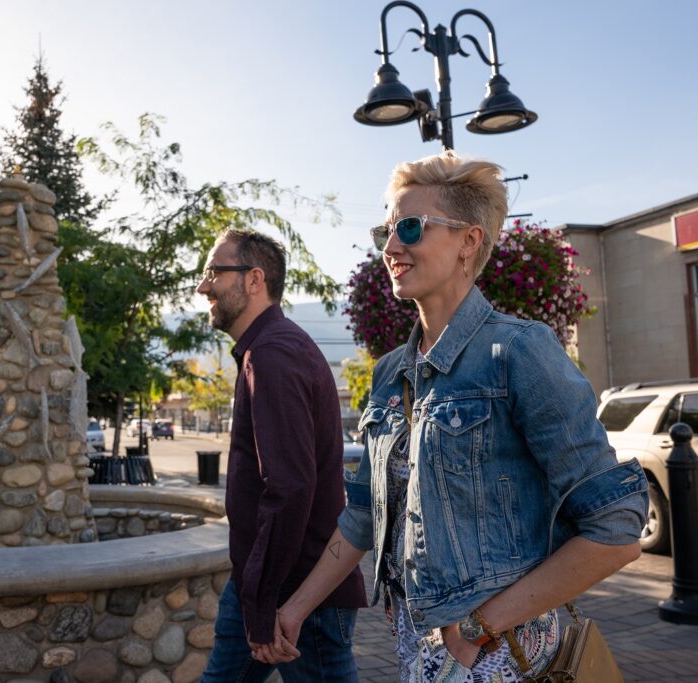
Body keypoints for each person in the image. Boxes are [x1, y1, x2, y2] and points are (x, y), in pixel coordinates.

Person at [254, 152, 649, 681]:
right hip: (417, 645)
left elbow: (617, 527)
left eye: (410, 228)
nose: (392, 247)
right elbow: (364, 515)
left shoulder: (518, 351)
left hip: (500, 653)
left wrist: (479, 625)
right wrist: (296, 609)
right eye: (387, 231)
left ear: (469, 241)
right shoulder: (391, 371)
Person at [197, 229, 365, 682]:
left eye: (214, 271)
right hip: (263, 584)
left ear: (254, 280)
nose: (203, 286)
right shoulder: (264, 350)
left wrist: (266, 602)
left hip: (297, 595)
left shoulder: (273, 354)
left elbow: (289, 488)